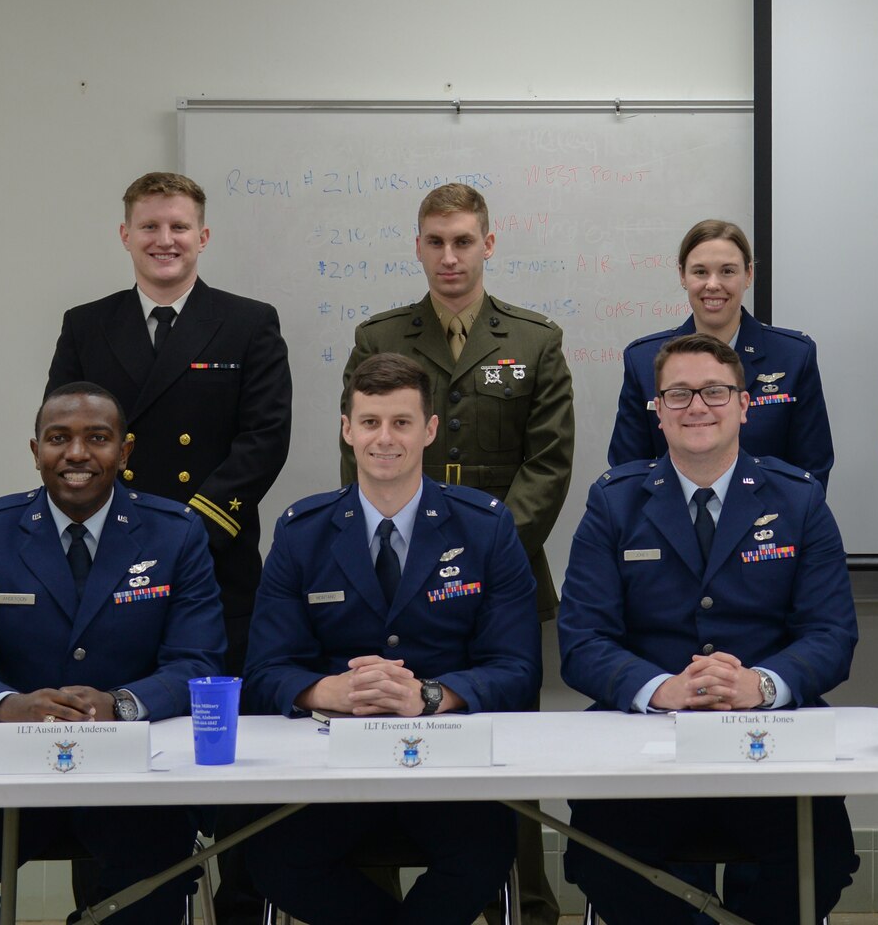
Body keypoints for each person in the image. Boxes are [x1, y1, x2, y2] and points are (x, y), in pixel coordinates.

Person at [0, 383, 225, 925]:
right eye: (58, 439)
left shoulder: (176, 533)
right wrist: (8, 707)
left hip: (135, 776)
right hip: (9, 772)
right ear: (35, 451)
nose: (76, 454)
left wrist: (118, 703)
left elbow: (198, 664)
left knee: (152, 888)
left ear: (125, 451)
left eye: (97, 438)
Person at [559, 333, 859, 924]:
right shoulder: (613, 504)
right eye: (678, 394)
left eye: (716, 391)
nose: (697, 406)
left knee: (819, 858)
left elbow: (831, 635)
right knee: (601, 861)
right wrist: (661, 689)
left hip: (772, 744)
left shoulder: (799, 501)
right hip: (649, 745)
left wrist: (763, 686)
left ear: (745, 406)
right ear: (657, 410)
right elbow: (582, 641)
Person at [241, 352, 540, 925]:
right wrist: (332, 692)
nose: (385, 439)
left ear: (429, 430)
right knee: (275, 858)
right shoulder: (301, 532)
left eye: (402, 422)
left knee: (485, 853)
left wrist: (428, 695)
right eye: (371, 422)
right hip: (331, 764)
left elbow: (518, 666)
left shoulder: (485, 526)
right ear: (347, 429)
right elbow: (265, 670)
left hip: (448, 762)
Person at [343, 181, 572, 923]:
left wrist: (487, 553)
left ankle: (528, 906)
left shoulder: (534, 342)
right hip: (389, 586)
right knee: (381, 748)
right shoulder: (379, 339)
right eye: (435, 242)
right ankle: (384, 906)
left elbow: (549, 462)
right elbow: (362, 465)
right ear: (418, 246)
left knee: (508, 760)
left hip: (505, 585)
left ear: (488, 244)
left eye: (464, 241)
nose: (450, 257)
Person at [47, 170, 291, 675]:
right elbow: (64, 439)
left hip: (215, 553)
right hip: (112, 550)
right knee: (117, 707)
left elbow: (265, 439)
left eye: (179, 228)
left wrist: (192, 532)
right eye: (149, 227)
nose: (165, 241)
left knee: (213, 713)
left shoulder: (248, 322)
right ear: (125, 236)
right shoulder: (87, 325)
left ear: (202, 237)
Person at [608, 218, 832, 486]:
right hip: (669, 523)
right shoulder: (644, 361)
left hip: (769, 524)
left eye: (727, 271)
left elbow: (812, 471)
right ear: (682, 275)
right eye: (700, 272)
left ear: (749, 275)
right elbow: (628, 475)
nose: (713, 284)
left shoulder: (794, 356)